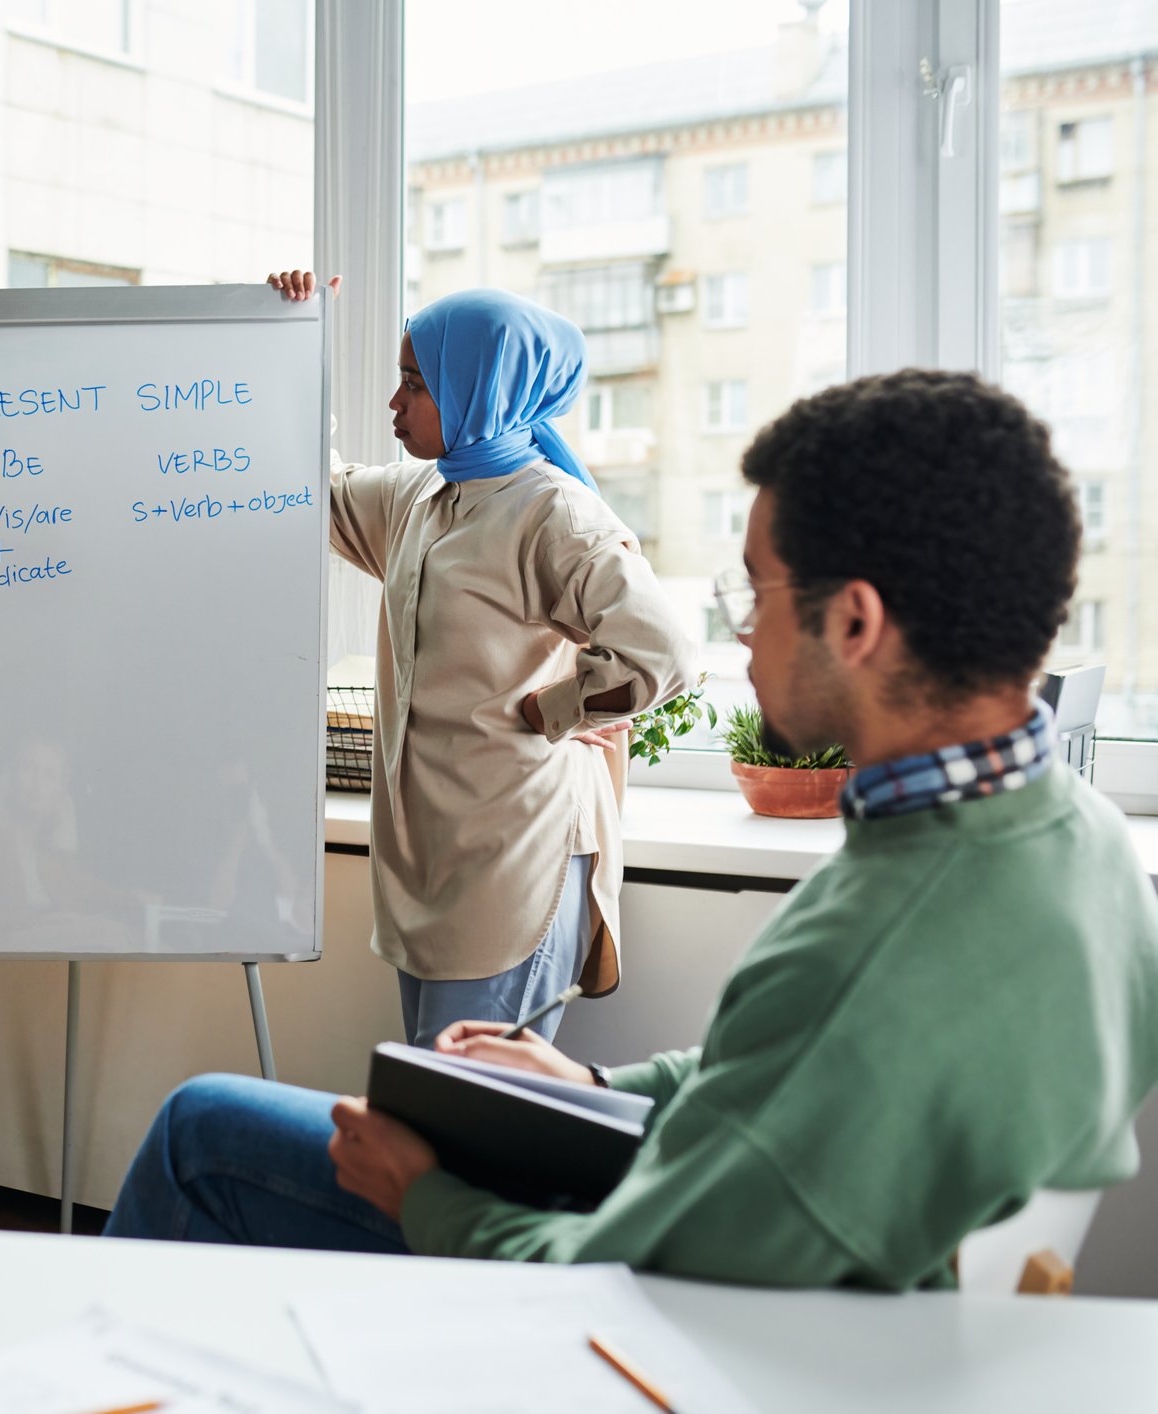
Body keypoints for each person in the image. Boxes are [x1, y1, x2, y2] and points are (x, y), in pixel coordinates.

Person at [105, 370, 1158, 1290]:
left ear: (855, 622)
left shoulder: (875, 952)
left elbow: (618, 1279)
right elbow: (783, 1075)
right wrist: (602, 1085)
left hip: (649, 1315)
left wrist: (425, 1198)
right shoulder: (1077, 841)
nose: (740, 634)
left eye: (755, 592)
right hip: (763, 1236)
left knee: (202, 1131)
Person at [269, 271, 694, 1044]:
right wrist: (290, 335)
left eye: (413, 384)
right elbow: (305, 486)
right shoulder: (419, 497)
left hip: (513, 856)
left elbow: (661, 652)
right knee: (436, 1109)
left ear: (480, 386)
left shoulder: (551, 511)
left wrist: (558, 708)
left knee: (470, 1120)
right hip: (428, 858)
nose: (393, 405)